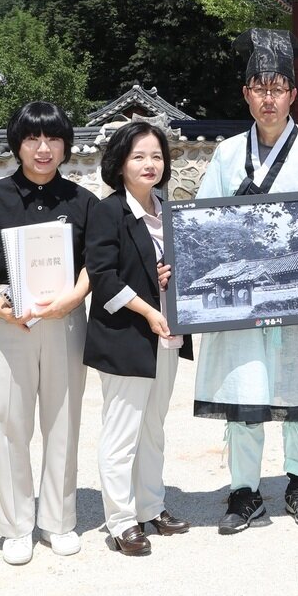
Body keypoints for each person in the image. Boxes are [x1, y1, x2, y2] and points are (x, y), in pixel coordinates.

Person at [192, 29, 298, 535]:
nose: (268, 97)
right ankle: (244, 491)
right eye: (259, 87)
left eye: (278, 87)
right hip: (242, 293)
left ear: (293, 94)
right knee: (246, 391)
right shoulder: (225, 154)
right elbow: (202, 221)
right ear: (246, 94)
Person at [0, 101, 97, 565]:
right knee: (9, 421)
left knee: (63, 420)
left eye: (53, 139)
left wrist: (73, 300)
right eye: (32, 138)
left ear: (65, 146)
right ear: (17, 143)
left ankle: (58, 520)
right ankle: (15, 525)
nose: (42, 149)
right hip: (6, 320)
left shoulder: (81, 202)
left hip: (64, 321)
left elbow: (95, 265)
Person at [84, 121, 193, 555]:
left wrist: (170, 275)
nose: (150, 164)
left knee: (153, 428)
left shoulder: (167, 208)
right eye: (138, 156)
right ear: (120, 164)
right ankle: (122, 521)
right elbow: (103, 276)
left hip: (166, 335)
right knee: (122, 431)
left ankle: (151, 506)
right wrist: (148, 309)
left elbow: (170, 265)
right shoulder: (108, 210)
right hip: (128, 336)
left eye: (156, 156)